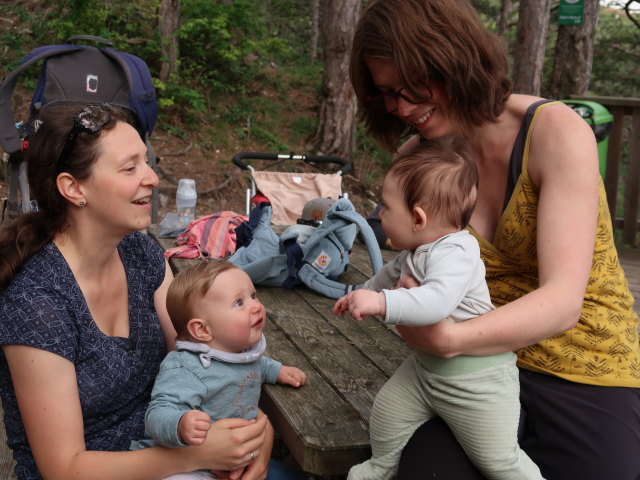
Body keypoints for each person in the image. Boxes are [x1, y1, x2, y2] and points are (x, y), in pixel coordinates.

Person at [349, 1, 640, 479]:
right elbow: (410, 264)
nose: (401, 107)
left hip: (581, 357)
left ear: (453, 59)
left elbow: (563, 302)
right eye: (386, 94)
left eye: (410, 86)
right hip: (471, 370)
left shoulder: (554, 132)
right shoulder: (420, 159)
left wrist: (448, 338)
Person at [0, 103, 273, 480]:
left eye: (146, 162)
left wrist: (257, 432)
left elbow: (202, 362)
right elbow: (63, 468)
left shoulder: (140, 254)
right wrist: (196, 457)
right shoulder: (36, 303)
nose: (152, 178)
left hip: (173, 450)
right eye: (130, 168)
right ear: (74, 188)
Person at [334, 137, 543, 480]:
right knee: (387, 410)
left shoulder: (458, 252)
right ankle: (381, 465)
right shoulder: (415, 250)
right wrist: (362, 292)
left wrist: (381, 302)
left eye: (385, 207)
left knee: (498, 461)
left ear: (418, 217)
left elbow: (435, 302)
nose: (380, 214)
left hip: (477, 384)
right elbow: (387, 277)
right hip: (425, 372)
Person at [132, 259, 307, 480]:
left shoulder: (238, 350)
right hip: (187, 464)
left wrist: (278, 371)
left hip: (234, 456)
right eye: (238, 303)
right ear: (202, 329)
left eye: (253, 296)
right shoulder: (186, 368)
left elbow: (256, 364)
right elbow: (157, 414)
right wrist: (180, 424)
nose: (256, 306)